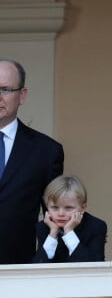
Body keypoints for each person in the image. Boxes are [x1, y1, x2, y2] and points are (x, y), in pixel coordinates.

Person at [0, 58, 64, 264]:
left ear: (22, 95)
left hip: (19, 269)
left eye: (6, 90)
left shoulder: (46, 151)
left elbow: (55, 217)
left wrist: (45, 269)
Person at [33, 174, 107, 263]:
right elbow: (38, 266)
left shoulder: (96, 226)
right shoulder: (43, 227)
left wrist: (69, 232)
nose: (61, 214)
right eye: (55, 208)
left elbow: (93, 266)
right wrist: (53, 233)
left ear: (83, 208)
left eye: (68, 208)